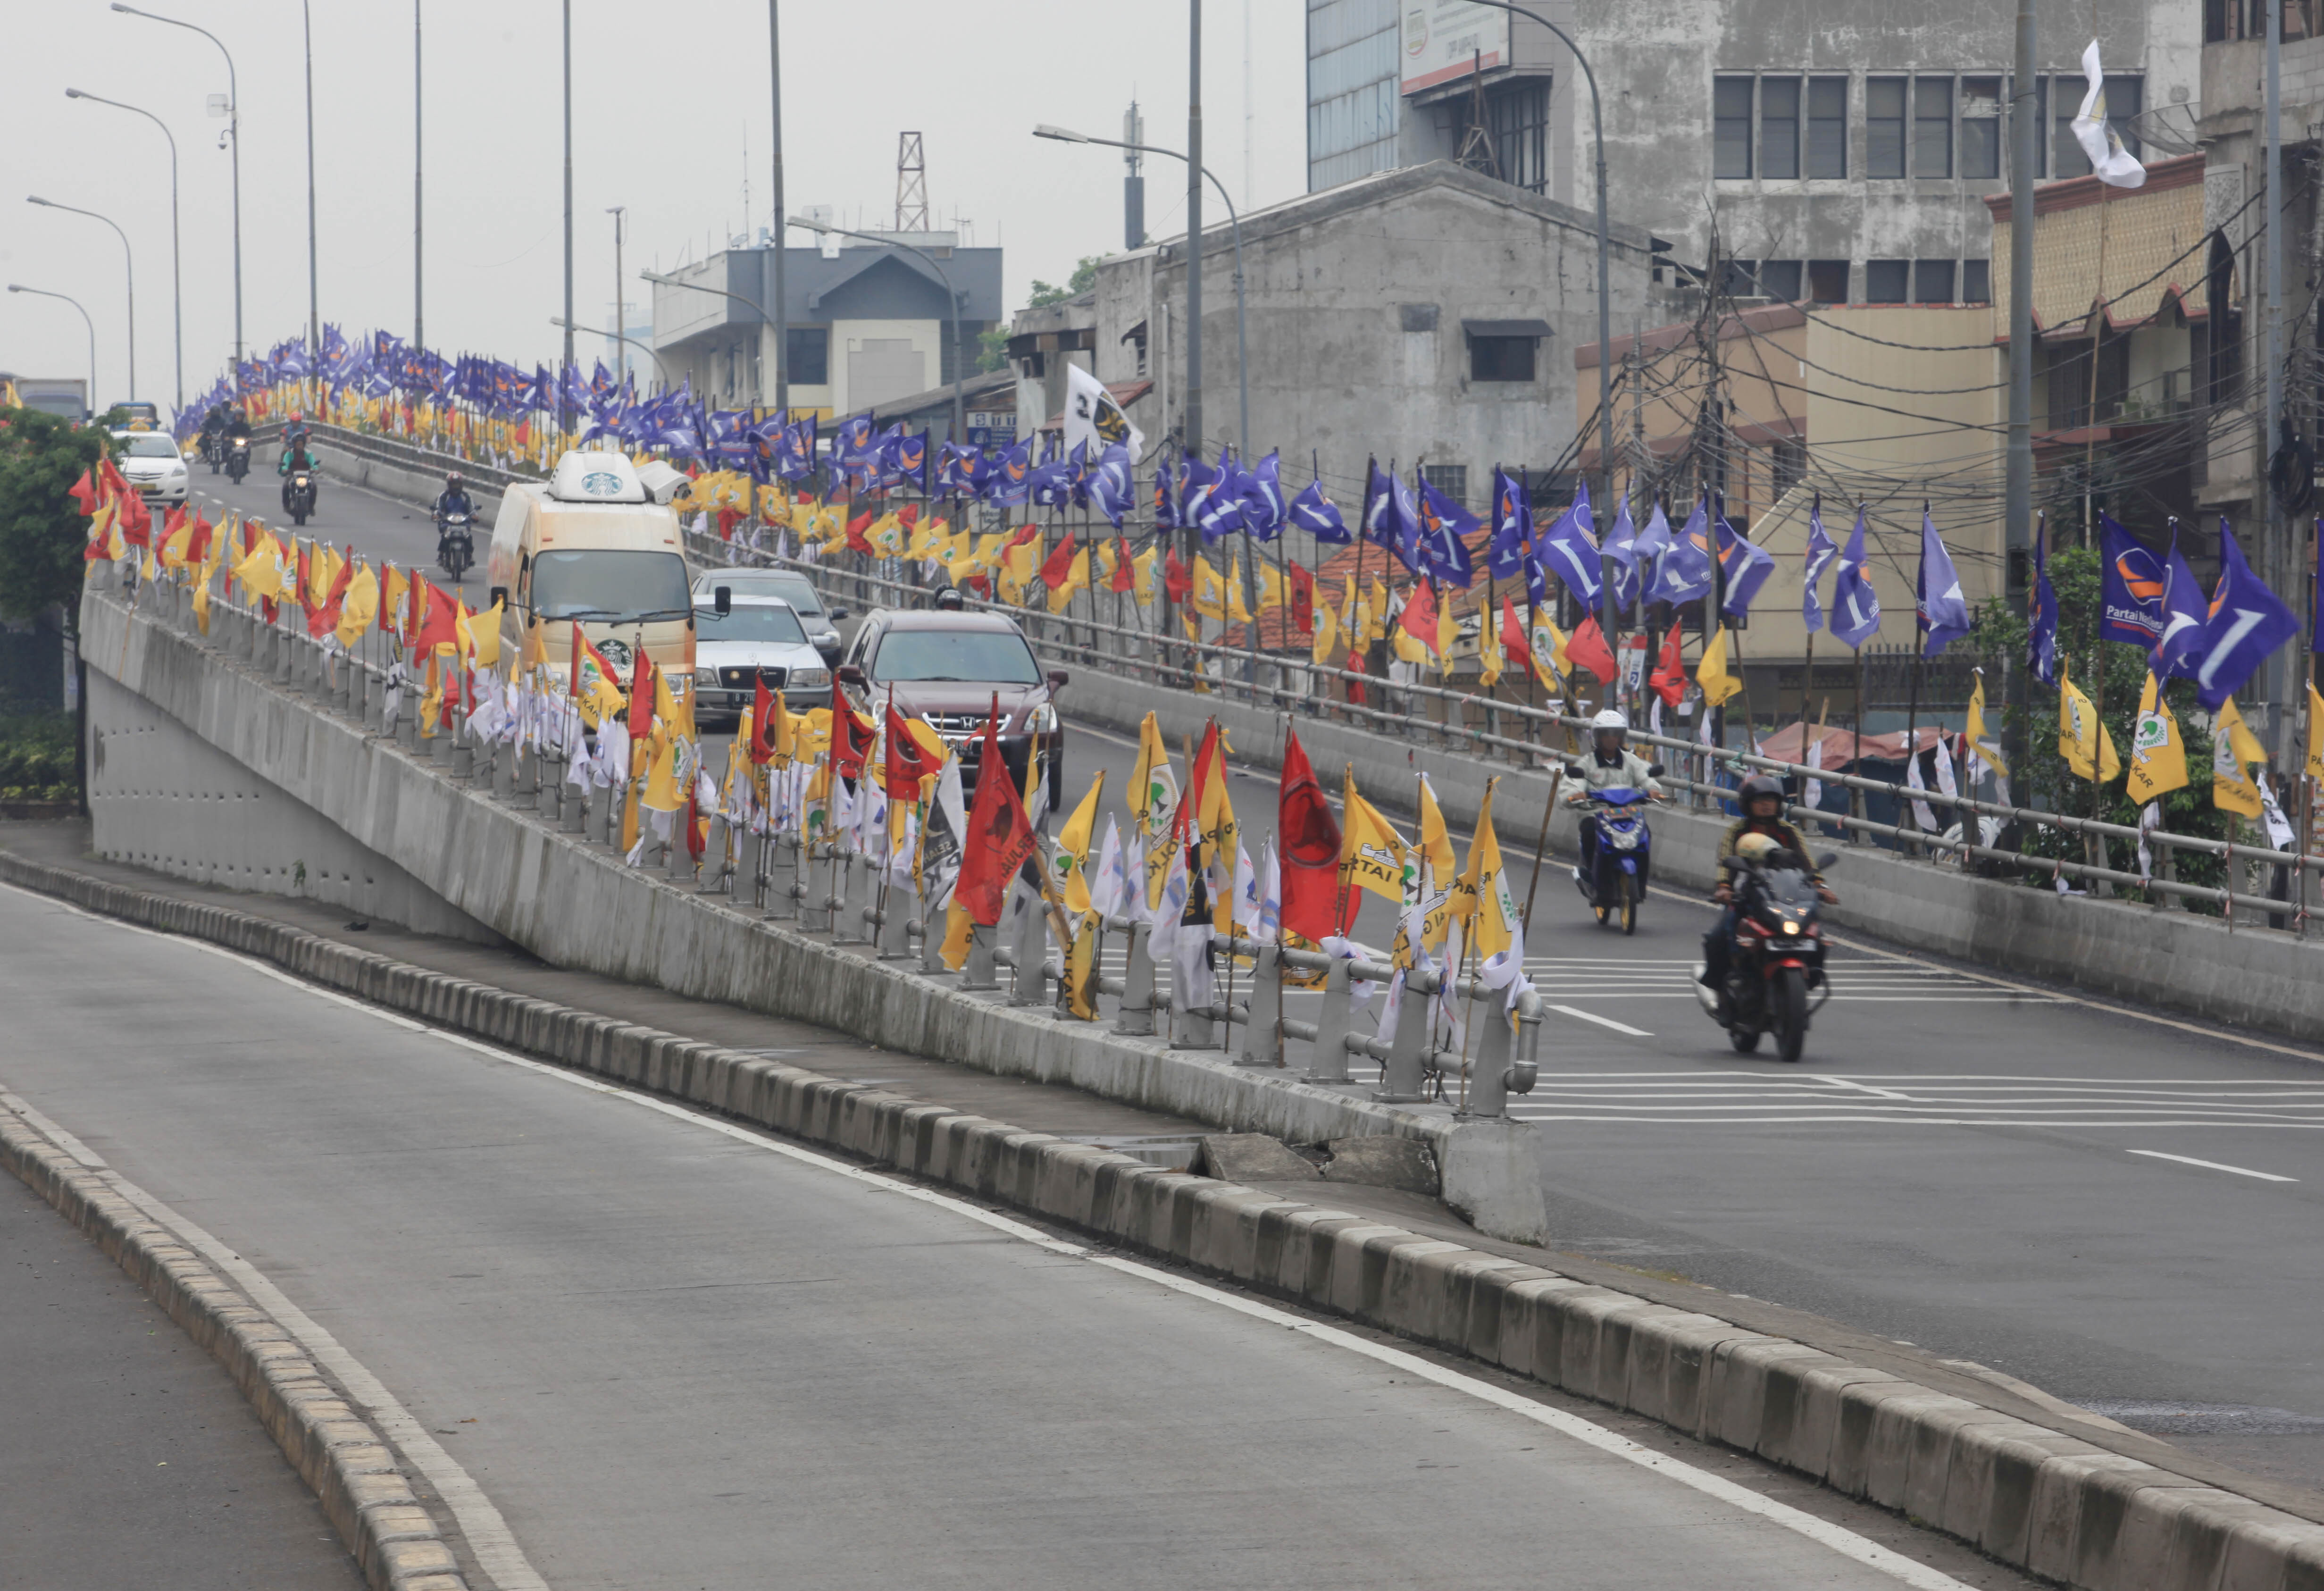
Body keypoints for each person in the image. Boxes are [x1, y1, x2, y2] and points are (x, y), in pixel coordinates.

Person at [1699, 774, 1836, 993]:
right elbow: (1725, 862)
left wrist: (1820, 885)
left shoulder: (1789, 831)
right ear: (1747, 804)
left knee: (1817, 935)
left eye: (1770, 801)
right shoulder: (1736, 832)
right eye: (1759, 801)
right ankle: (1728, 980)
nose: (1766, 805)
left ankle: (1811, 975)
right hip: (1745, 896)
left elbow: (1807, 862)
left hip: (1782, 897)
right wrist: (1724, 887)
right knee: (1718, 937)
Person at [1565, 709, 1664, 886]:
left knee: (1646, 833)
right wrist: (1576, 795)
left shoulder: (1631, 761)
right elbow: (1573, 786)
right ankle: (1590, 875)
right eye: (1606, 734)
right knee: (1589, 832)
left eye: (1615, 734)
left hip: (1628, 813)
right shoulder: (1586, 763)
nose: (1611, 739)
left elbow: (1646, 777)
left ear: (1621, 737)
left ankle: (1641, 877)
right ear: (1598, 737)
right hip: (1596, 815)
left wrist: (1653, 790)